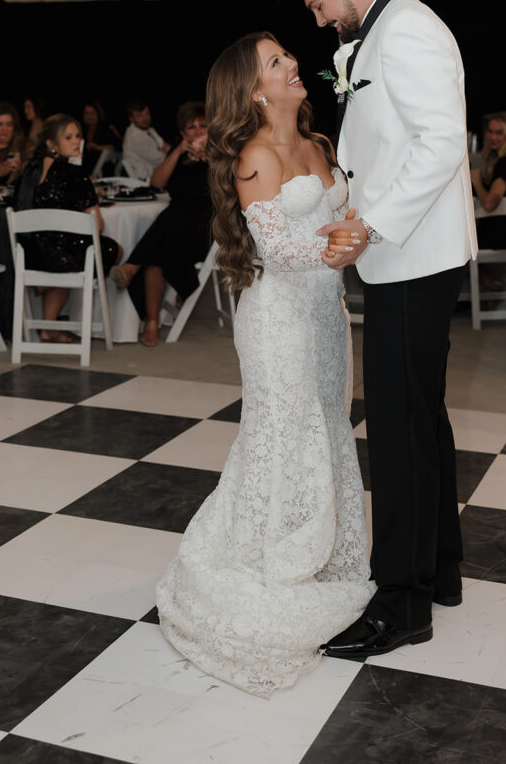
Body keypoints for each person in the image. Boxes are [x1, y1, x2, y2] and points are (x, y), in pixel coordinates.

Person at [156, 34, 373, 696]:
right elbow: (276, 250)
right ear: (254, 90)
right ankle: (274, 560)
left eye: (286, 57)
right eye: (276, 63)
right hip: (277, 319)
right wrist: (345, 244)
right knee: (285, 433)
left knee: (328, 425)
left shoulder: (320, 144)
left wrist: (360, 232)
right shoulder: (256, 153)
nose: (292, 67)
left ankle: (321, 551)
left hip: (325, 315)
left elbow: (345, 221)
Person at [284, 0, 477, 660]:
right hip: (408, 254)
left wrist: (370, 226)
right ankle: (442, 569)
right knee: (422, 416)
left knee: (398, 430)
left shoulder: (407, 32)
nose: (318, 16)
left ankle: (400, 606)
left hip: (411, 255)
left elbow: (439, 145)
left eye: (318, 1)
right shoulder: (384, 28)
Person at [110, 102, 213, 347]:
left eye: (202, 126)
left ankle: (132, 268)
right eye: (191, 127)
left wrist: (209, 156)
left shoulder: (220, 153)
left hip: (205, 229)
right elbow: (157, 183)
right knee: (164, 239)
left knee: (167, 221)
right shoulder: (178, 153)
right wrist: (177, 153)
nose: (197, 131)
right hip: (177, 229)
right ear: (182, 132)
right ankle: (152, 321)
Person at [14, 114, 121, 343]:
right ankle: (50, 282)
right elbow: (97, 226)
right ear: (51, 144)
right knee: (112, 249)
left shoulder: (27, 172)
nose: (76, 142)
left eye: (78, 136)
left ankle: (48, 327)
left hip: (28, 255)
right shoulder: (76, 175)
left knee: (69, 250)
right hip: (57, 257)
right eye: (68, 137)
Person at [470, 111, 506, 249]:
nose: (492, 137)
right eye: (490, 131)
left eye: (499, 133)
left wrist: (476, 182)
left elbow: (490, 204)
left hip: (502, 237)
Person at [122, 100, 168, 178]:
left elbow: (165, 146)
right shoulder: (134, 136)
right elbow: (161, 159)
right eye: (139, 115)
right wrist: (162, 150)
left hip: (155, 171)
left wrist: (163, 149)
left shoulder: (148, 129)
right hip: (145, 178)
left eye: (147, 113)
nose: (145, 118)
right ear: (131, 119)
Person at [81, 102, 121, 175]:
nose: (90, 116)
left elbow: (118, 147)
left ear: (98, 114)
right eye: (87, 113)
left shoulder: (106, 130)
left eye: (93, 113)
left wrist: (97, 147)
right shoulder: (80, 131)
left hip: (102, 171)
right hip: (83, 169)